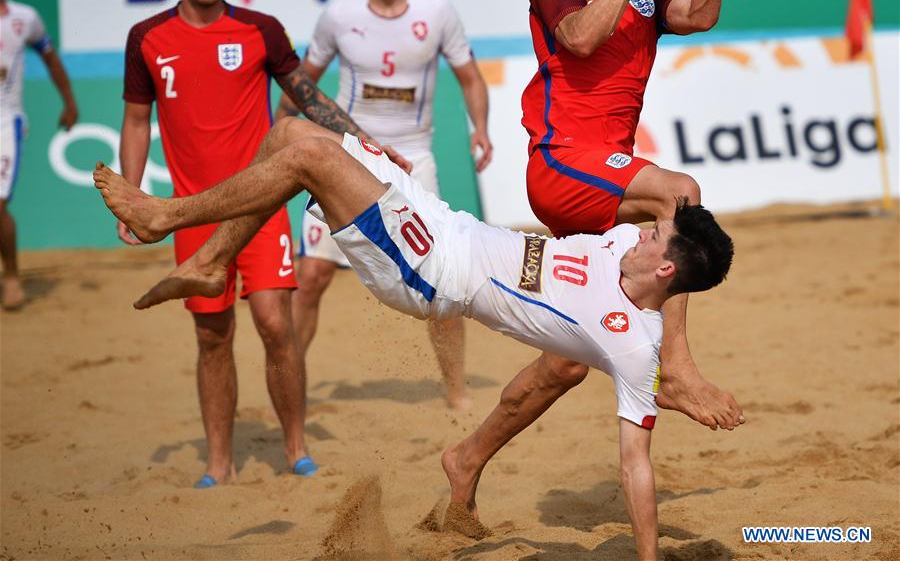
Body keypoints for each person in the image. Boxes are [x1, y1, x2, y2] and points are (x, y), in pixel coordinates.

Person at [92, 117, 735, 561]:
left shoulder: (631, 343)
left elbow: (635, 464)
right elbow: (676, 200)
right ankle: (212, 261)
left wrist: (648, 555)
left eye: (656, 237)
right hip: (445, 221)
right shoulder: (631, 245)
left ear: (667, 269)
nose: (645, 230)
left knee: (310, 160)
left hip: (428, 273)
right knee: (290, 132)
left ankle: (165, 215)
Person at [456, 0, 766, 473]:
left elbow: (700, 15)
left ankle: (467, 457)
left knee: (568, 361)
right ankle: (673, 369)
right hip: (560, 161)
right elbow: (578, 37)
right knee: (680, 194)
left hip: (602, 184)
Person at [120, 0, 407, 488]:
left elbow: (306, 96)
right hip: (191, 213)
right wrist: (131, 199)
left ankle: (296, 447)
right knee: (212, 336)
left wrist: (362, 145)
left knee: (276, 323)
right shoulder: (147, 37)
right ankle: (218, 463)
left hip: (260, 207)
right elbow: (135, 122)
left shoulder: (260, 29)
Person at [276, 0, 493, 410]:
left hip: (414, 158)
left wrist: (480, 128)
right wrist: (278, 138)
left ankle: (456, 392)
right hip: (345, 154)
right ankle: (293, 390)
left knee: (446, 280)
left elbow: (471, 78)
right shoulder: (339, 14)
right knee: (310, 278)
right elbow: (300, 83)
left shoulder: (437, 11)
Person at [0, 0, 78, 310]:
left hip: (6, 119)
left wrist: (69, 102)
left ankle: (12, 277)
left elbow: (50, 58)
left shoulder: (24, 18)